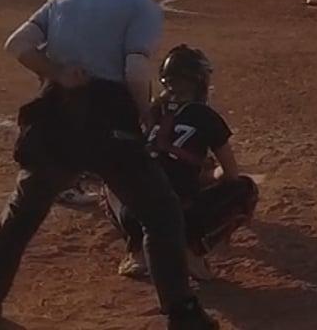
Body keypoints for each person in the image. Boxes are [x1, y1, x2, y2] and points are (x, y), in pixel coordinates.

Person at [0, 0, 217, 330]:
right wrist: (145, 116)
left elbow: (18, 44)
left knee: (22, 214)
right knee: (160, 214)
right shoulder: (140, 6)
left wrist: (59, 72)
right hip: (107, 119)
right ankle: (183, 316)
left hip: (56, 114)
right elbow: (135, 71)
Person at [109, 45, 258, 283]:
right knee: (245, 188)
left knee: (116, 179)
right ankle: (192, 250)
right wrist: (206, 175)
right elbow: (230, 173)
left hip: (135, 213)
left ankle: (137, 250)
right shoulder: (206, 117)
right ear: (199, 81)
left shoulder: (150, 112)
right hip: (178, 213)